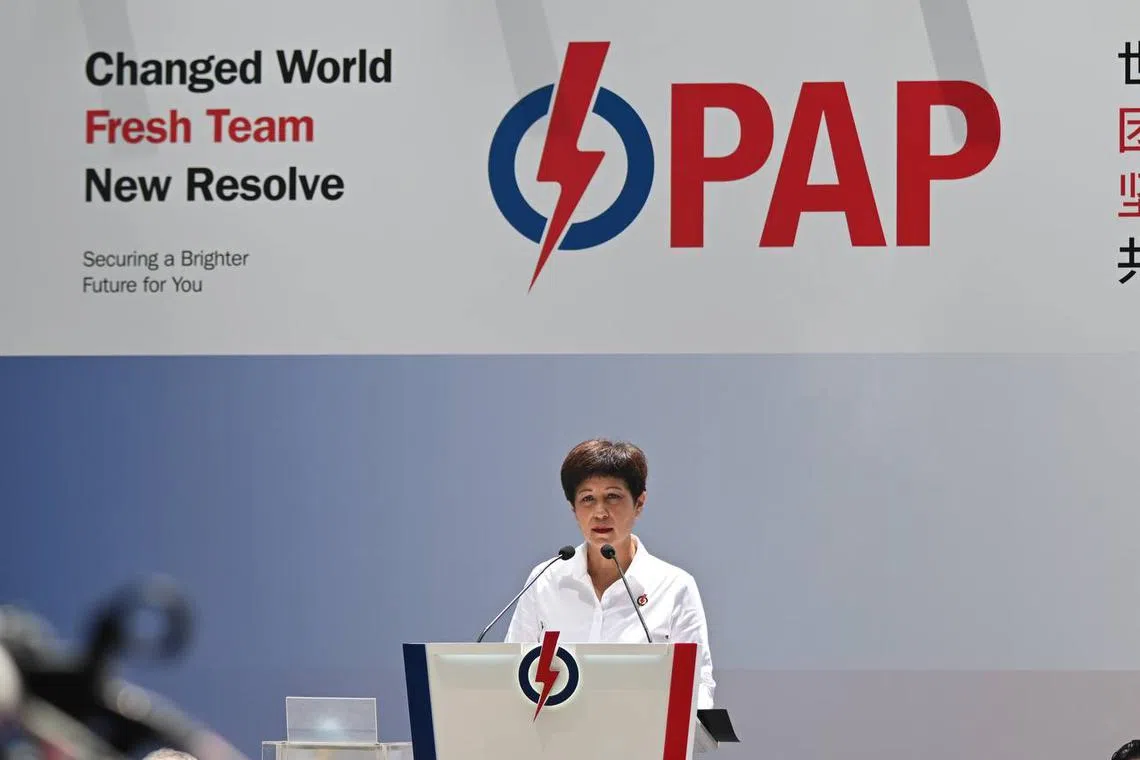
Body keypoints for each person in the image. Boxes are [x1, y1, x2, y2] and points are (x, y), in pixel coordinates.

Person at [504, 438, 716, 709]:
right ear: (573, 509)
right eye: (587, 499)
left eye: (613, 497)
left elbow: (698, 683)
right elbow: (511, 672)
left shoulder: (674, 587)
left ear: (639, 503)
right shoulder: (545, 580)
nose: (599, 512)